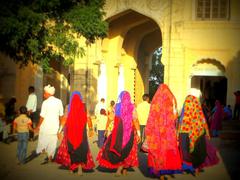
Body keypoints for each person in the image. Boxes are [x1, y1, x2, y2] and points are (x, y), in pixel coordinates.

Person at [97, 91, 141, 177]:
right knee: (127, 149)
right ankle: (123, 169)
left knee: (119, 149)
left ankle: (121, 169)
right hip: (129, 132)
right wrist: (139, 133)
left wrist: (107, 128)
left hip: (118, 131)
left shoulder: (116, 106)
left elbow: (110, 118)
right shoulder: (132, 107)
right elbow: (135, 120)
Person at [145, 84, 182, 179]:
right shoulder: (172, 101)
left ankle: (161, 173)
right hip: (169, 132)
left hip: (157, 133)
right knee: (168, 151)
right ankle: (167, 172)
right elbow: (175, 117)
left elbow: (151, 118)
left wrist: (149, 131)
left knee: (159, 151)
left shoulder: (155, 102)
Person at [178, 88, 218, 174]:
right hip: (198, 130)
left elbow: (183, 115)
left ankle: (188, 167)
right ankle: (196, 168)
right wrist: (205, 129)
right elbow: (200, 116)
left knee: (186, 150)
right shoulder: (195, 101)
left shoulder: (188, 100)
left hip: (185, 129)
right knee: (198, 150)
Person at [55, 91, 95, 175]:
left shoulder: (68, 107)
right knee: (81, 149)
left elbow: (64, 119)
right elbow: (88, 118)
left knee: (72, 149)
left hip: (70, 132)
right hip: (81, 133)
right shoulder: (83, 107)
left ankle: (72, 167)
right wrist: (91, 129)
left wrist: (59, 131)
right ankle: (80, 168)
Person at [34, 84, 64, 164]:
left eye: (45, 93)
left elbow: (42, 116)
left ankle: (43, 150)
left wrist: (38, 126)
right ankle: (50, 157)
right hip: (55, 127)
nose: (44, 94)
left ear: (48, 94)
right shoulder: (59, 101)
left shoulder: (45, 103)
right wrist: (60, 128)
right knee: (53, 142)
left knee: (43, 140)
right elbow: (61, 115)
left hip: (45, 127)